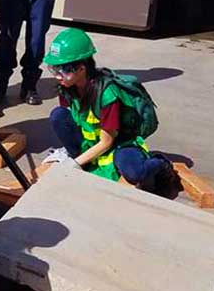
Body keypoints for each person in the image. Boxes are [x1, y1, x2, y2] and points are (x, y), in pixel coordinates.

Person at [43, 28, 180, 195]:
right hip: (91, 142)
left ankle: (160, 162)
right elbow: (75, 120)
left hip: (117, 144)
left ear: (82, 68)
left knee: (135, 173)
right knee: (58, 116)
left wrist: (75, 164)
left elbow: (107, 142)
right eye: (54, 69)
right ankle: (81, 158)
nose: (58, 75)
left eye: (63, 70)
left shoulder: (107, 93)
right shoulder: (67, 88)